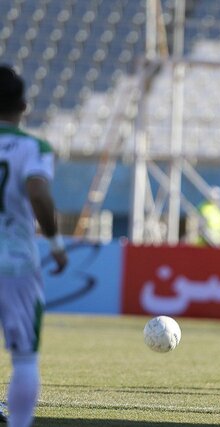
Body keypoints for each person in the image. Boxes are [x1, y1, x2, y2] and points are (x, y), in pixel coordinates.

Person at [0, 65, 68, 427]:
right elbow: (39, 193)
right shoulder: (33, 147)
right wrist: (56, 242)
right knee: (24, 357)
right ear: (24, 105)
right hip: (15, 263)